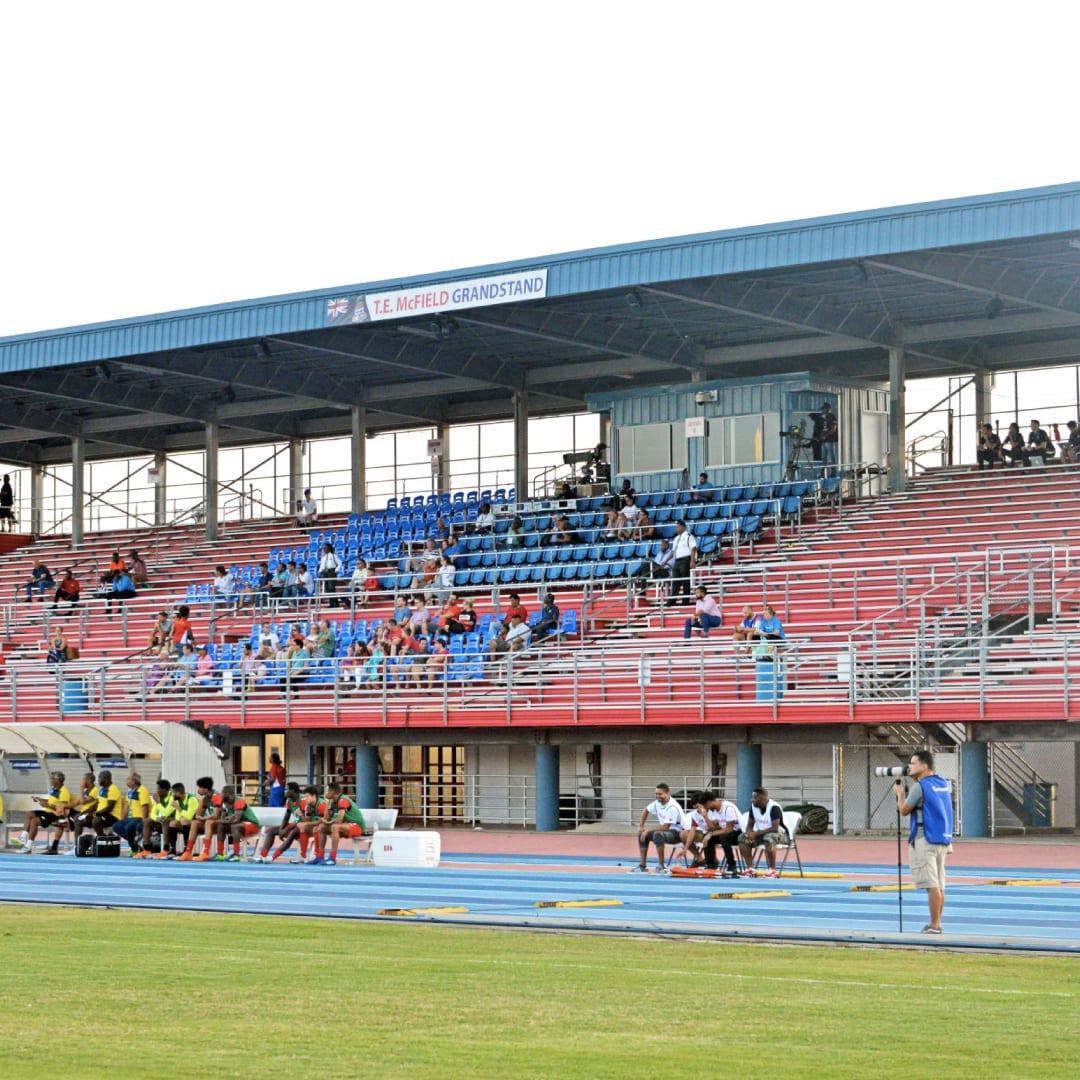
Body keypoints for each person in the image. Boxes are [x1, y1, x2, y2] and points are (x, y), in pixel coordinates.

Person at [895, 749, 954, 934]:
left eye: (913, 763)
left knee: (931, 884)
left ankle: (935, 925)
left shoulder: (920, 787)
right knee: (939, 884)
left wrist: (899, 794)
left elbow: (904, 810)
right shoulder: (942, 783)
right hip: (942, 838)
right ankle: (937, 922)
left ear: (924, 765)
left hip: (924, 838)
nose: (909, 766)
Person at [634, 783, 688, 873]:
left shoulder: (672, 806)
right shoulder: (656, 803)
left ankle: (661, 866)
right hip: (667, 832)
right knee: (641, 834)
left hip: (678, 833)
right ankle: (642, 866)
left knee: (658, 834)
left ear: (667, 794)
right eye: (656, 794)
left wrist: (647, 830)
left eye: (660, 794)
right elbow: (646, 810)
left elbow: (665, 827)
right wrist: (641, 826)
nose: (658, 796)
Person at [14, 771, 71, 854]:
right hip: (47, 811)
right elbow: (51, 801)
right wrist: (39, 799)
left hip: (54, 814)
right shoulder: (54, 789)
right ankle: (23, 835)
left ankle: (28, 846)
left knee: (34, 821)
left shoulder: (64, 792)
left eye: (52, 779)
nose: (51, 780)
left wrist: (47, 805)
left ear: (58, 780)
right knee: (30, 813)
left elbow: (63, 808)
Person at [312, 782, 367, 866]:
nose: (325, 793)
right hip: (346, 826)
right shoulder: (332, 802)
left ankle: (332, 858)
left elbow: (339, 820)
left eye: (326, 791)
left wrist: (327, 822)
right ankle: (320, 856)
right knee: (321, 827)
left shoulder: (343, 800)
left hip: (357, 826)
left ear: (332, 792)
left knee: (335, 827)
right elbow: (326, 818)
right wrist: (327, 804)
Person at [738, 788, 785, 878]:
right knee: (743, 837)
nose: (752, 800)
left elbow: (775, 828)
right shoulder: (753, 807)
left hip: (781, 835)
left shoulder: (774, 807)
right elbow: (749, 825)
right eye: (752, 797)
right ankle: (750, 869)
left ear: (763, 798)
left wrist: (756, 833)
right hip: (762, 835)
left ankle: (772, 870)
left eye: (755, 798)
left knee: (769, 838)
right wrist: (749, 834)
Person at [255, 781, 303, 862]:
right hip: (295, 825)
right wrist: (281, 829)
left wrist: (287, 829)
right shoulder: (289, 801)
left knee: (292, 832)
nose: (284, 791)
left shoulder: (303, 801)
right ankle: (262, 855)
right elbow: (286, 816)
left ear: (293, 791)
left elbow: (305, 819)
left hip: (304, 826)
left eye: (286, 789)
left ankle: (273, 856)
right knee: (271, 830)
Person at [698, 791, 742, 876]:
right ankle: (710, 865)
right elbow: (713, 828)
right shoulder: (713, 811)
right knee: (707, 837)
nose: (705, 808)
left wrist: (711, 834)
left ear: (709, 802)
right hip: (726, 833)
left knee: (723, 837)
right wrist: (705, 816)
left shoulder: (728, 808)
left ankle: (732, 866)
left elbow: (729, 829)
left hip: (738, 833)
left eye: (705, 806)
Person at [179, 777, 221, 861]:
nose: (198, 790)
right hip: (211, 823)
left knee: (208, 822)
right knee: (195, 822)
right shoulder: (205, 799)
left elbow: (216, 815)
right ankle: (188, 852)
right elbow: (198, 815)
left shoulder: (217, 796)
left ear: (205, 788)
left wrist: (203, 818)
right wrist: (200, 811)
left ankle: (205, 852)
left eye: (199, 788)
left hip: (221, 823)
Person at [112, 772, 153, 855]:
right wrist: (122, 820)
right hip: (132, 818)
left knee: (128, 827)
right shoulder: (130, 791)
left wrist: (144, 821)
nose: (126, 781)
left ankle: (134, 849)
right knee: (117, 826)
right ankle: (135, 843)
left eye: (128, 779)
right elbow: (126, 807)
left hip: (140, 817)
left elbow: (145, 807)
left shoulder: (142, 790)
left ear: (134, 781)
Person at [216, 787, 262, 862]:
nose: (221, 795)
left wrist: (226, 819)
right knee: (220, 826)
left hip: (252, 824)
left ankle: (236, 855)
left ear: (229, 794)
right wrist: (223, 819)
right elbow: (223, 817)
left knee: (234, 826)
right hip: (241, 824)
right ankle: (220, 854)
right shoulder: (225, 803)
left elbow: (236, 819)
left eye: (222, 793)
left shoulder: (239, 801)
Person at [158, 782, 201, 859]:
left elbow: (189, 816)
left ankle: (186, 849)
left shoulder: (192, 800)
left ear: (178, 793)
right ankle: (172, 849)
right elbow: (166, 812)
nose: (172, 795)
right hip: (183, 823)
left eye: (173, 793)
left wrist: (178, 808)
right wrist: (161, 814)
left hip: (195, 823)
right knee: (172, 823)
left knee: (184, 820)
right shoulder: (176, 800)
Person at [132, 780, 173, 859]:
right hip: (161, 820)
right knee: (146, 821)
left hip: (172, 820)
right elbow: (153, 813)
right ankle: (147, 849)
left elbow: (167, 812)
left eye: (158, 789)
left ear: (164, 790)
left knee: (165, 820)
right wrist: (156, 818)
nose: (156, 791)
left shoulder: (172, 798)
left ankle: (166, 850)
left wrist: (158, 802)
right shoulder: (160, 798)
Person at [668, 520, 697, 606]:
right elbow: (673, 552)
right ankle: (673, 600)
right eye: (676, 527)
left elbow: (693, 548)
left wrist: (692, 561)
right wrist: (665, 561)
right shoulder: (676, 538)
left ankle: (685, 600)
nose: (677, 529)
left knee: (685, 580)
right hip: (677, 560)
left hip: (685, 559)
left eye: (678, 527)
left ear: (683, 527)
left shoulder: (689, 536)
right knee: (675, 580)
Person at [91, 770, 124, 837]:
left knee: (96, 820)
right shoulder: (101, 789)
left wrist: (96, 813)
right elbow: (97, 803)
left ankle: (101, 838)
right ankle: (78, 844)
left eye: (99, 778)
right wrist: (87, 812)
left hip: (112, 817)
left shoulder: (113, 789)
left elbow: (109, 808)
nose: (98, 780)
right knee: (82, 819)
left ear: (105, 779)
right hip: (103, 815)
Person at [812, 402, 838, 475]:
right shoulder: (824, 417)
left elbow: (834, 428)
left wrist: (825, 436)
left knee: (831, 455)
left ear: (827, 409)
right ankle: (823, 471)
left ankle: (833, 471)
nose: (822, 410)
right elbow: (824, 429)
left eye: (823, 409)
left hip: (830, 440)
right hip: (824, 440)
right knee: (824, 457)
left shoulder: (832, 416)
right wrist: (819, 437)